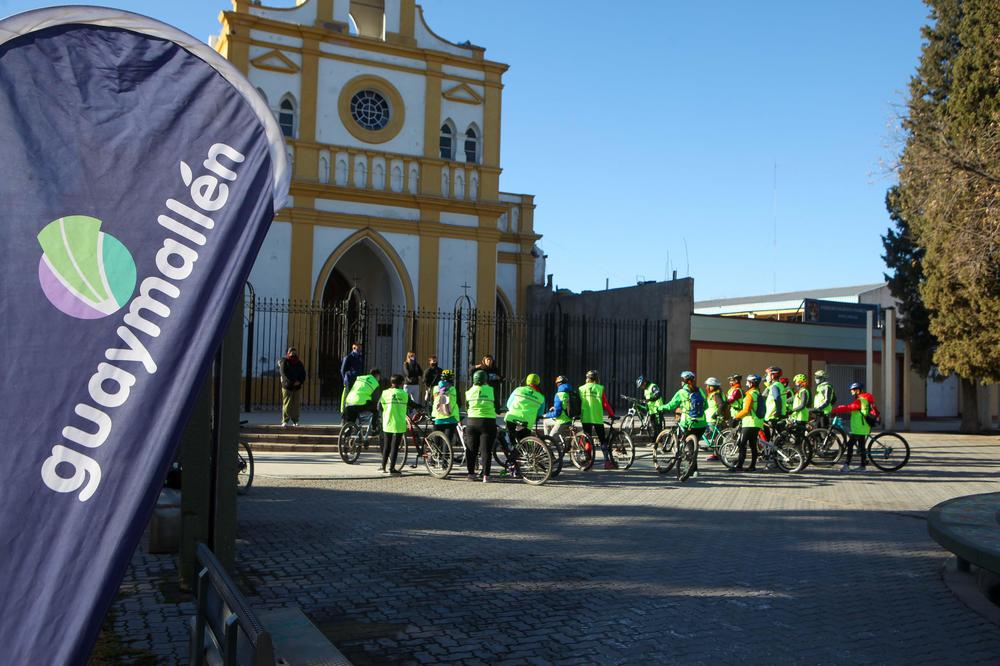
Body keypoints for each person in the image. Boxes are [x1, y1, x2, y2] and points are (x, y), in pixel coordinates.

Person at [662, 371, 708, 477]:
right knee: (693, 446)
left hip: (688, 423)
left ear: (683, 381)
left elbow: (670, 406)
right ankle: (693, 467)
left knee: (689, 447)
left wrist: (660, 408)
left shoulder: (682, 392)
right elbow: (705, 406)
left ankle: (691, 470)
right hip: (702, 424)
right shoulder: (700, 390)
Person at [831, 382, 876, 472]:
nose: (851, 392)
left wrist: (835, 409)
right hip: (862, 426)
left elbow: (850, 407)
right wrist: (842, 407)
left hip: (859, 427)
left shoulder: (860, 400)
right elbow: (851, 407)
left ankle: (847, 465)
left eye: (853, 390)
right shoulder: (863, 399)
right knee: (861, 447)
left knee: (850, 445)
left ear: (858, 390)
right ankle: (863, 466)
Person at [379, 374, 416, 475]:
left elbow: (379, 407)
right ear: (401, 383)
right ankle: (392, 469)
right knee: (395, 447)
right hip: (399, 423)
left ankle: (383, 467)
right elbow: (412, 404)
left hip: (387, 422)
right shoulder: (403, 394)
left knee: (387, 445)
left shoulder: (385, 393)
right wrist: (420, 406)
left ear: (391, 382)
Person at [579, 370, 617, 469]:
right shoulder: (600, 388)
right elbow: (605, 404)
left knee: (588, 439)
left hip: (585, 417)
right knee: (602, 440)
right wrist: (611, 414)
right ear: (596, 378)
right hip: (597, 418)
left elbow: (579, 403)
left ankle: (588, 460)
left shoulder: (581, 388)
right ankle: (607, 462)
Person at [465, 370, 497, 482]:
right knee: (486, 450)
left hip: (472, 421)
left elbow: (466, 406)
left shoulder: (469, 392)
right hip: (488, 422)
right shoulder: (491, 390)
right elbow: (497, 406)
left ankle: (471, 474)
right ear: (485, 379)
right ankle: (486, 476)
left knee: (471, 449)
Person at [504, 373, 546, 452]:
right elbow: (540, 413)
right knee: (524, 440)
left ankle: (513, 455)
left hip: (512, 417)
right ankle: (527, 455)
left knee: (511, 437)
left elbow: (508, 404)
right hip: (527, 421)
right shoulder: (541, 396)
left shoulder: (518, 389)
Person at [730, 374, 764, 471]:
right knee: (753, 445)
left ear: (751, 383)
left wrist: (736, 417)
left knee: (742, 444)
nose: (746, 384)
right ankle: (752, 466)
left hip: (749, 422)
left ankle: (739, 466)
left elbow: (746, 410)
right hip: (757, 422)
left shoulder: (750, 394)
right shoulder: (758, 393)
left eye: (747, 382)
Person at [431, 369, 462, 472]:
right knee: (447, 440)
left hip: (438, 417)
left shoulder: (435, 389)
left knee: (436, 440)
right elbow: (458, 402)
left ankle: (433, 461)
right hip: (451, 418)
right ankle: (445, 464)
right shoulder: (453, 389)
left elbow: (434, 401)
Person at [278, 346, 306, 427]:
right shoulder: (284, 362)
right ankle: (285, 420)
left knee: (296, 405)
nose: (293, 353)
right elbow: (284, 374)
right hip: (287, 387)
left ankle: (295, 420)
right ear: (288, 353)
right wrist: (293, 382)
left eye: (294, 352)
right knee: (287, 404)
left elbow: (303, 374)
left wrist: (299, 381)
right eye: (291, 352)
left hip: (297, 387)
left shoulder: (299, 363)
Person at [545, 375, 575, 439]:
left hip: (562, 421)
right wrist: (555, 407)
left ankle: (547, 443)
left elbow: (557, 413)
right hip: (571, 420)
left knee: (548, 440)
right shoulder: (572, 393)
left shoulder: (559, 395)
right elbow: (566, 406)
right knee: (546, 422)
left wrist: (546, 415)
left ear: (558, 384)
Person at [704, 377, 724, 461]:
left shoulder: (716, 394)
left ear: (713, 386)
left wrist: (716, 414)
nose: (707, 387)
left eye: (708, 386)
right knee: (713, 436)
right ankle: (714, 451)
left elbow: (721, 405)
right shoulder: (714, 394)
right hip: (709, 419)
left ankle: (716, 455)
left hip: (713, 419)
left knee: (716, 437)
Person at [340, 342, 364, 410]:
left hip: (357, 380)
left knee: (355, 396)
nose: (360, 348)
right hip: (349, 380)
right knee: (347, 396)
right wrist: (344, 380)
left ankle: (352, 410)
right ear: (354, 347)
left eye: (360, 347)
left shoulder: (360, 357)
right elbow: (342, 370)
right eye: (358, 347)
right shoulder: (348, 357)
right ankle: (345, 411)